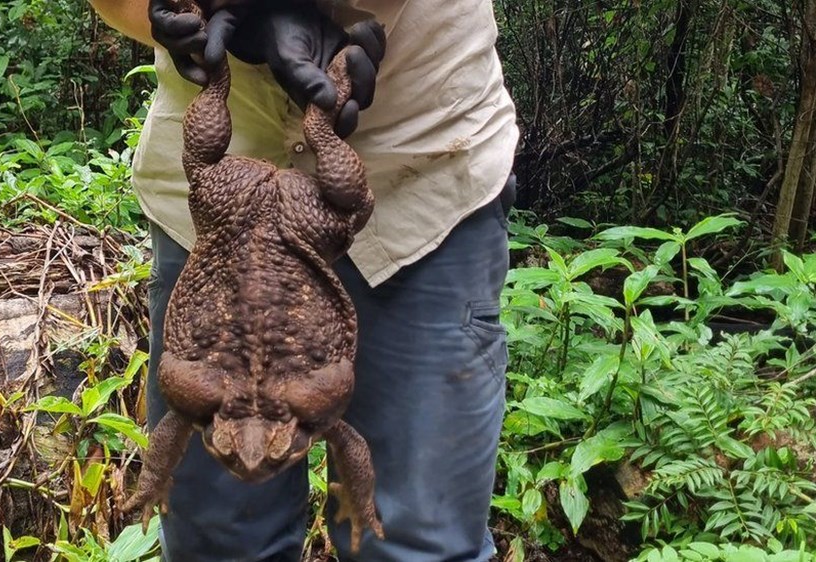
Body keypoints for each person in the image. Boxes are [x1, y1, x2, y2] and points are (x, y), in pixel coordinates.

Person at [88, 0, 519, 560]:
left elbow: (341, 432)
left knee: (415, 542)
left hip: (417, 171)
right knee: (215, 545)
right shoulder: (259, 407)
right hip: (221, 212)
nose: (249, 458)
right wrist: (191, 16)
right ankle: (279, 104)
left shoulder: (302, 408)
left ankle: (304, 115)